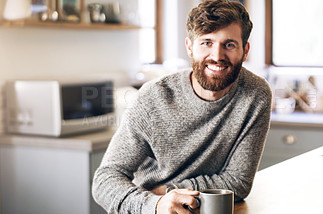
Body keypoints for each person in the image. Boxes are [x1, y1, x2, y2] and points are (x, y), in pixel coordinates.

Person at [92, 0, 272, 213]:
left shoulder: (255, 94)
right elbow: (105, 180)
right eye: (206, 42)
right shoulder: (153, 98)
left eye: (229, 44)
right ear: (189, 47)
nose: (217, 56)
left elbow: (238, 182)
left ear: (245, 50)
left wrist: (171, 192)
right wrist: (156, 203)